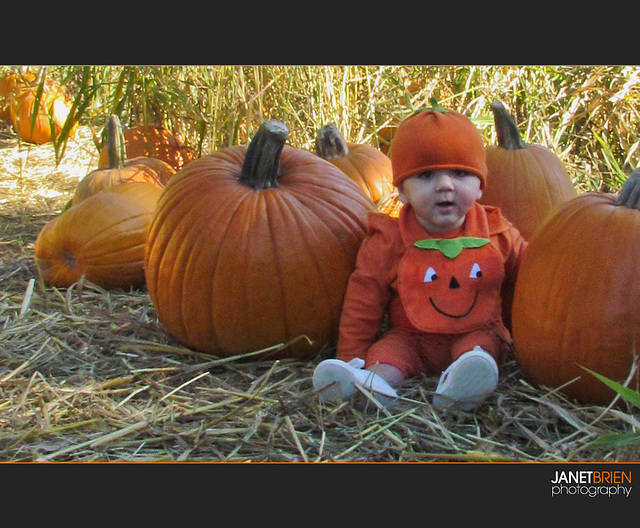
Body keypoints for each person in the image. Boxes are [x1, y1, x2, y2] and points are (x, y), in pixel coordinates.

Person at [312, 106, 528, 411]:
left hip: (477, 331)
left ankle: (463, 386)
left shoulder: (496, 232)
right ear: (402, 190)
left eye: (460, 173)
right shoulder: (389, 241)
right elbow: (364, 300)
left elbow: (536, 277)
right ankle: (369, 385)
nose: (444, 185)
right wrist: (351, 356)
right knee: (388, 354)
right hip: (411, 338)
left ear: (480, 185)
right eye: (426, 176)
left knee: (481, 352)